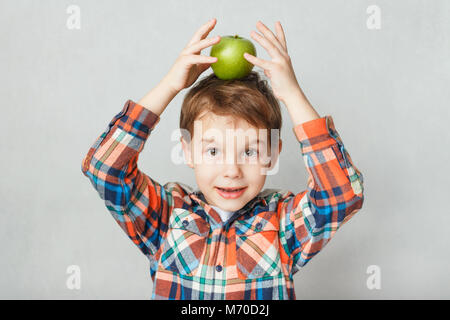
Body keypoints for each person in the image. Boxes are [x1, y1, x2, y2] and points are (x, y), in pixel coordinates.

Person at [81, 18, 364, 300]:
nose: (232, 171)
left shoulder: (283, 224)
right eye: (213, 151)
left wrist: (292, 94)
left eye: (250, 152)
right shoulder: (168, 217)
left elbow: (342, 194)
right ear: (188, 151)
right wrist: (169, 85)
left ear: (273, 154)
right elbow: (105, 168)